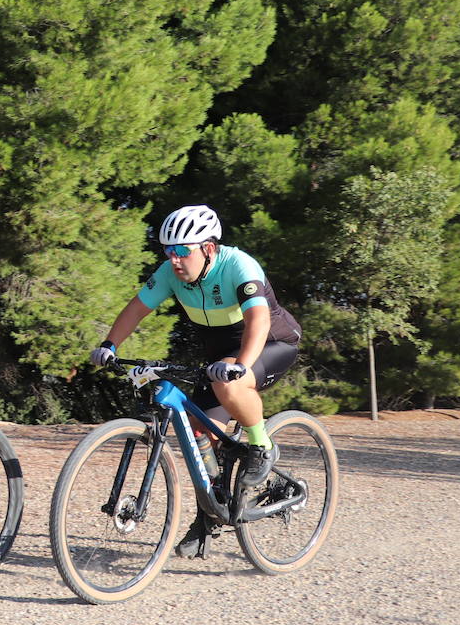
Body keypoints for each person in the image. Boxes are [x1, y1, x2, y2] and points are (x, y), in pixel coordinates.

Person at [89, 204, 301, 559]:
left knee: (230, 386)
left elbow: (259, 322)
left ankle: (261, 444)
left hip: (268, 343)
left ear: (208, 248)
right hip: (219, 359)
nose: (174, 259)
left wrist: (242, 366)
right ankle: (211, 517)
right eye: (168, 251)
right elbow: (137, 308)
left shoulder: (239, 266)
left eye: (182, 251)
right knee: (198, 436)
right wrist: (110, 344)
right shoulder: (171, 273)